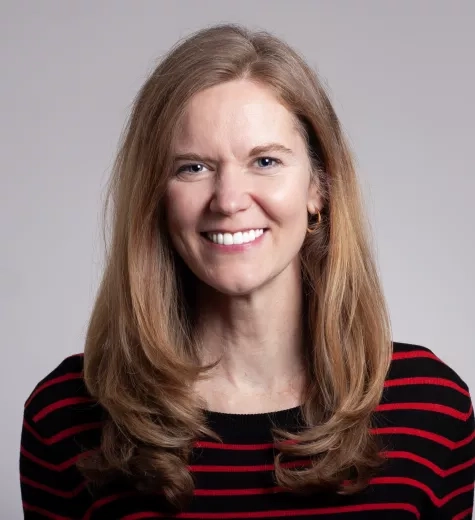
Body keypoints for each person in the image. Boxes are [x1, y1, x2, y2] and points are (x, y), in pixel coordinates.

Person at [20, 24, 474, 519]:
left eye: (265, 161)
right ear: (156, 197)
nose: (230, 200)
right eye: (192, 167)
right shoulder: (65, 416)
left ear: (318, 188)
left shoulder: (431, 410)